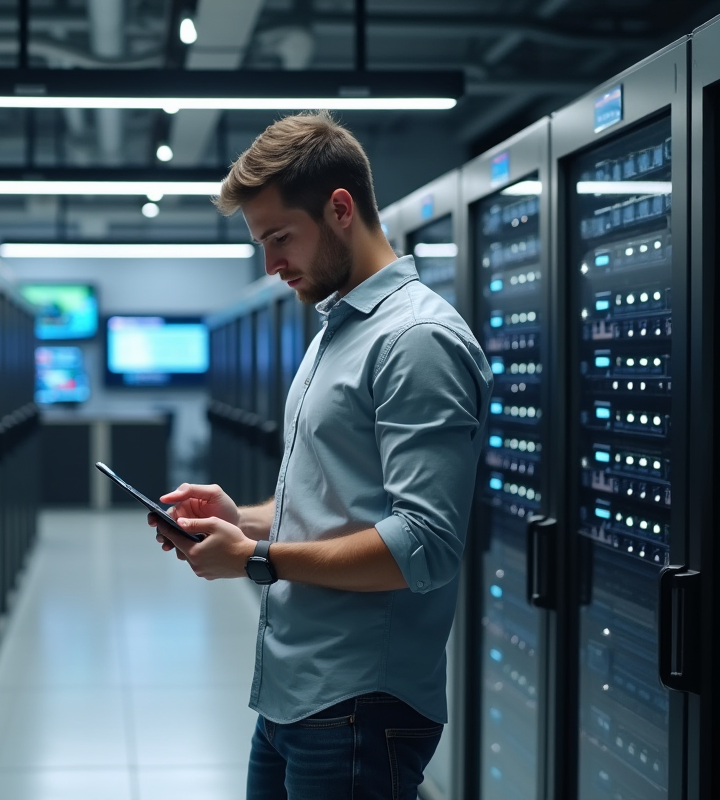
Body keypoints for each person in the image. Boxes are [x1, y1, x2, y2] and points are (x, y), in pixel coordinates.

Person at [146, 110, 493, 800]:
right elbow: (329, 502)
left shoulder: (416, 341)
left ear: (340, 209)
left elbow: (423, 545)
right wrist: (240, 519)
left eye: (280, 238)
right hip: (293, 692)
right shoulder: (336, 330)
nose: (272, 265)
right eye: (261, 244)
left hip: (359, 705)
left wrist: (255, 559)